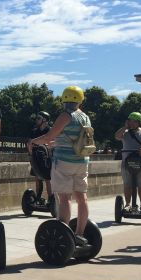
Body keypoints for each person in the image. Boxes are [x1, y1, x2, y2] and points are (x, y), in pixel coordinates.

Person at [31, 87, 92, 245]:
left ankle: (64, 234)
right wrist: (55, 143)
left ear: (64, 99)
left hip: (64, 162)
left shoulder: (66, 116)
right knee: (82, 197)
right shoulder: (85, 117)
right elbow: (70, 137)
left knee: (64, 198)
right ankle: (79, 233)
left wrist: (33, 142)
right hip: (82, 161)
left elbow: (49, 136)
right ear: (80, 99)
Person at [114, 112, 141, 213]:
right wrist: (124, 127)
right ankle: (127, 205)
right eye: (130, 121)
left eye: (134, 121)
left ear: (139, 122)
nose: (131, 123)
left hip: (140, 162)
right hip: (127, 163)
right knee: (127, 184)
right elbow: (117, 136)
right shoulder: (125, 132)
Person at [28, 112, 53, 205]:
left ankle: (51, 199)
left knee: (47, 179)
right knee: (37, 178)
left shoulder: (50, 131)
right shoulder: (34, 131)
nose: (36, 120)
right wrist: (31, 155)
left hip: (47, 158)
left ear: (45, 120)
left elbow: (52, 143)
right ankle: (38, 197)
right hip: (36, 158)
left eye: (39, 118)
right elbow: (29, 143)